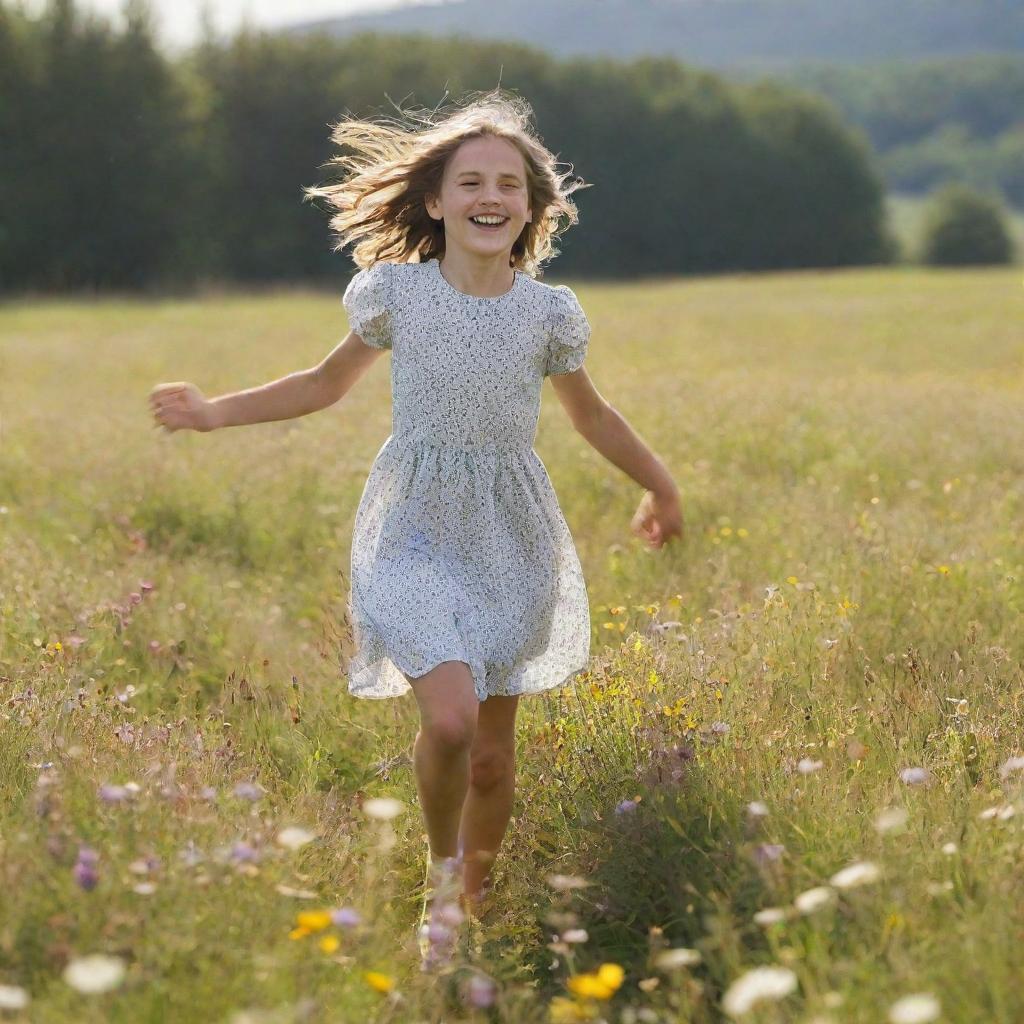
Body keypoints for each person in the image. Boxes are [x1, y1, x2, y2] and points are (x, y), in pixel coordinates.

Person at [149, 87, 683, 968]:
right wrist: (213, 412)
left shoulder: (550, 314)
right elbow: (322, 385)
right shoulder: (397, 294)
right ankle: (440, 884)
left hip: (511, 533)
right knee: (448, 723)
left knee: (491, 761)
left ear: (531, 208)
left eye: (509, 183)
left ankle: (464, 910)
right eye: (470, 180)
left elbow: (594, 418)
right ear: (435, 201)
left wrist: (662, 487)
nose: (491, 196)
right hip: (414, 527)